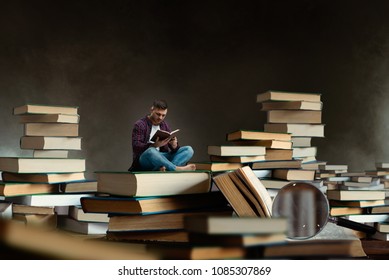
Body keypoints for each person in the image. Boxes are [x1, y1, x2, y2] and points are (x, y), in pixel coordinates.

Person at [129, 99, 196, 171]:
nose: (160, 117)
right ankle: (175, 168)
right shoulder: (140, 124)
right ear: (151, 110)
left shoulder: (165, 125)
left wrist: (174, 146)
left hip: (162, 157)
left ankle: (166, 168)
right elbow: (136, 146)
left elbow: (173, 149)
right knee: (151, 151)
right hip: (145, 159)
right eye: (158, 114)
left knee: (188, 149)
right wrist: (154, 145)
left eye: (163, 115)